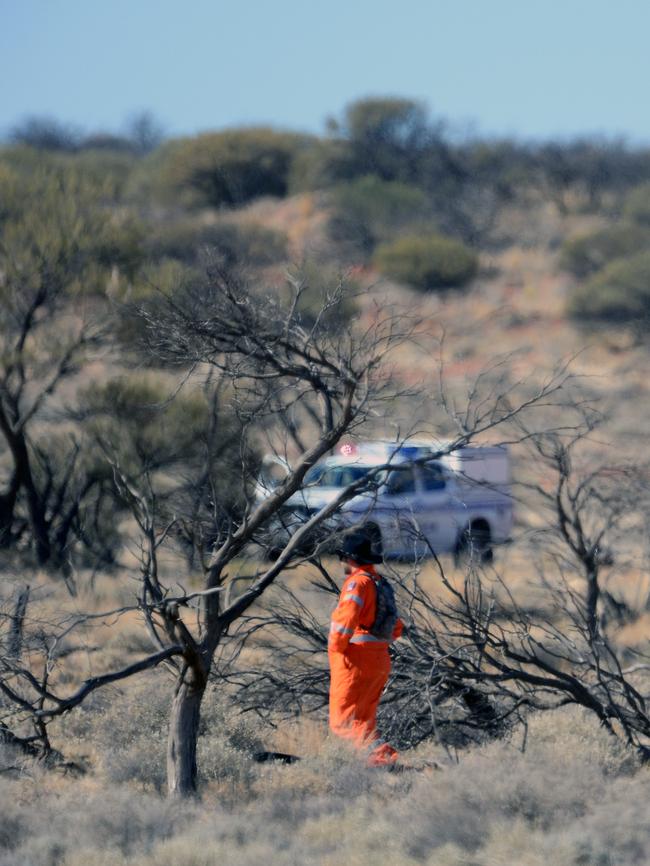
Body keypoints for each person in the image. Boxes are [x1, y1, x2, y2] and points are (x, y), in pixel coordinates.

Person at [328, 530, 403, 766]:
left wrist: (337, 648)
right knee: (363, 721)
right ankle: (375, 763)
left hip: (356, 660)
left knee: (343, 722)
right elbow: (396, 626)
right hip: (379, 659)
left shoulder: (356, 583)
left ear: (350, 559)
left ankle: (383, 756)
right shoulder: (379, 582)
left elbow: (346, 617)